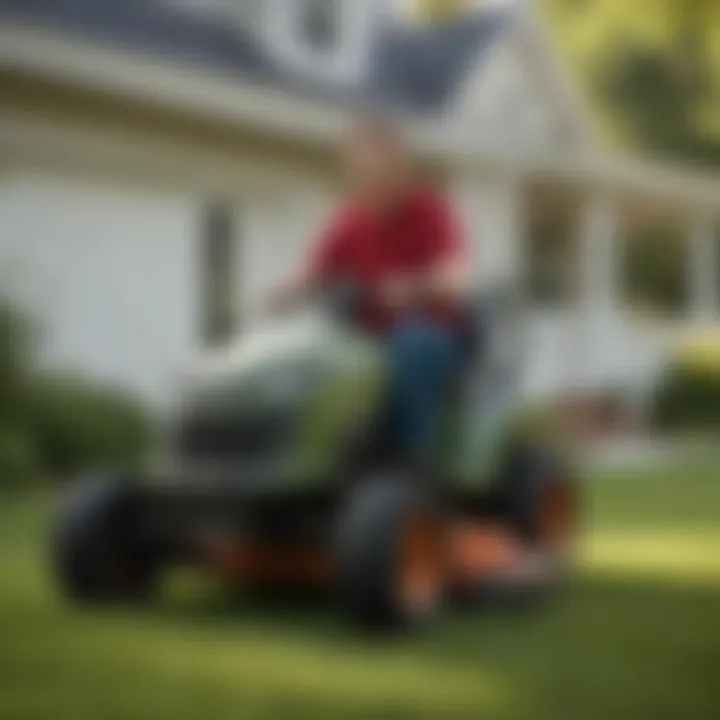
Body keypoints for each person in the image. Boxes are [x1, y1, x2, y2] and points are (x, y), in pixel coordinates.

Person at [268, 117, 471, 465]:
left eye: (379, 173)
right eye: (362, 174)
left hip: (434, 335)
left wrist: (416, 287)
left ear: (401, 170)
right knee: (312, 355)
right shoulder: (348, 218)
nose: (370, 183)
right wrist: (282, 293)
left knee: (410, 346)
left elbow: (456, 276)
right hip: (367, 338)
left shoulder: (431, 210)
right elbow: (313, 273)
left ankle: (413, 461)